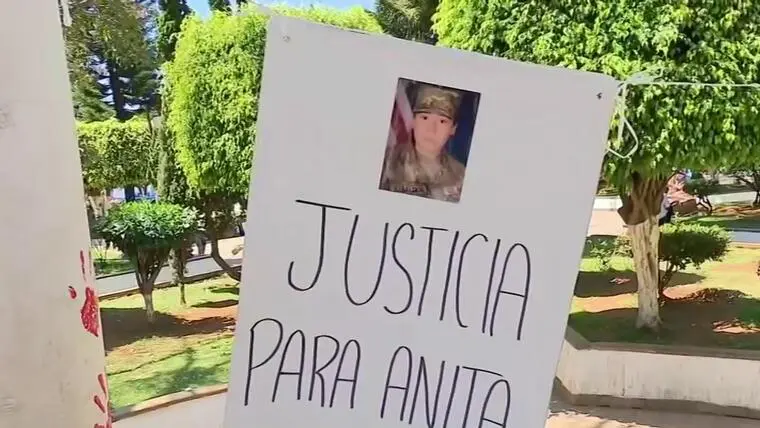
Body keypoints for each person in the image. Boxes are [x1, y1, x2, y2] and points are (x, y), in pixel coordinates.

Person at [379, 83, 466, 203]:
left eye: (442, 121)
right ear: (413, 121)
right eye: (424, 118)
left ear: (453, 129)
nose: (431, 129)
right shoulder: (386, 162)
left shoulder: (461, 174)